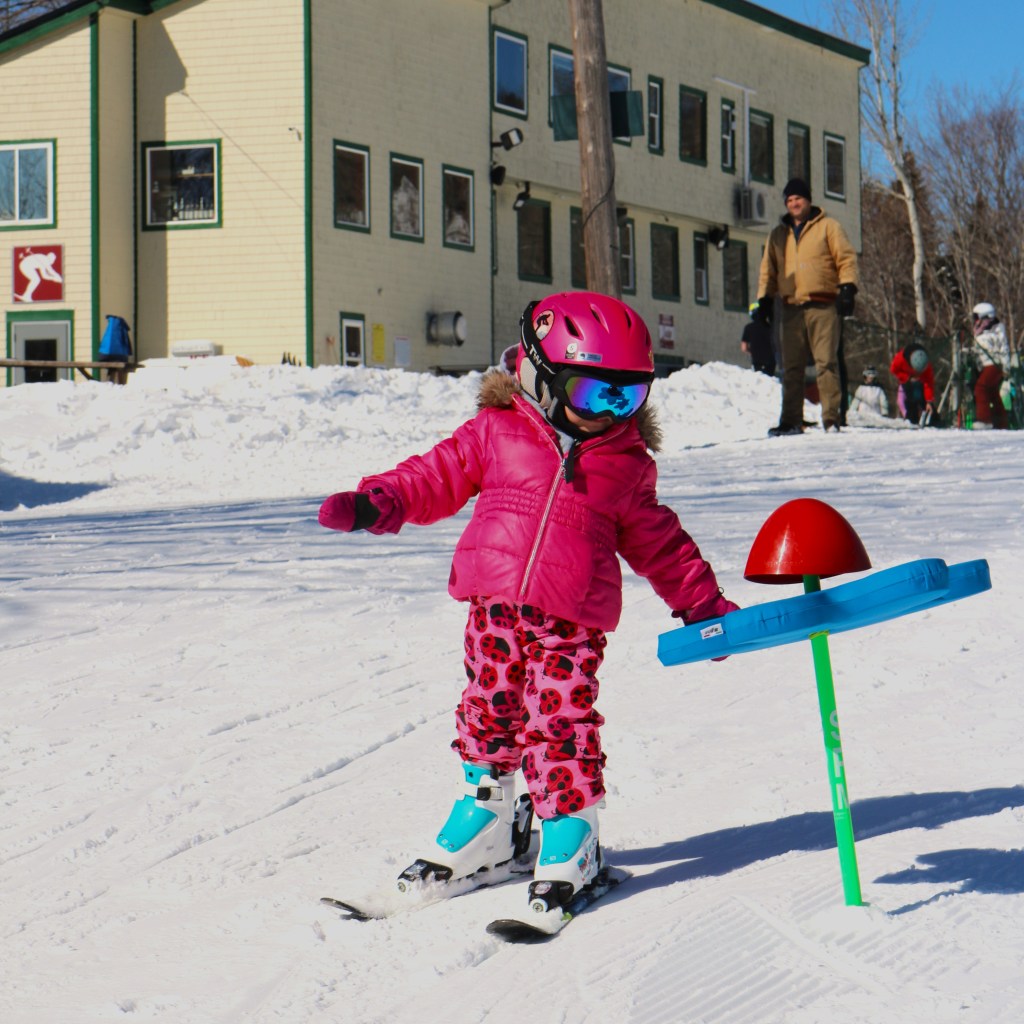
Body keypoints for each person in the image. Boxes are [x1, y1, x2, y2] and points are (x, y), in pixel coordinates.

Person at [318, 292, 738, 916]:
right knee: (488, 710)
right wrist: (379, 502)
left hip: (572, 622)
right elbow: (433, 475)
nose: (611, 412)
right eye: (597, 393)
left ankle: (573, 833)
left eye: (628, 396)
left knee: (560, 721)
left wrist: (702, 603)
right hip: (494, 608)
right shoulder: (496, 431)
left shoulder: (625, 464)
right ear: (543, 376)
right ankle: (489, 820)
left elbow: (662, 544)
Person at [753, 177, 859, 435]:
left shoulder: (828, 227)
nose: (794, 203)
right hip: (790, 307)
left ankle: (832, 418)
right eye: (789, 200)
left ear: (808, 200)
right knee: (791, 366)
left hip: (822, 305)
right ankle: (791, 420)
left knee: (826, 362)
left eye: (798, 198)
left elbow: (845, 258)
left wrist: (847, 288)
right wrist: (764, 300)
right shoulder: (778, 235)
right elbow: (768, 271)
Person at [968, 302, 1011, 430]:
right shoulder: (981, 331)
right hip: (986, 365)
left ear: (985, 317)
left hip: (994, 364)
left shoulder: (996, 330)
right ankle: (1001, 423)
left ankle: (984, 420)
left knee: (981, 388)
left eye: (977, 317)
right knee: (992, 393)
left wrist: (1006, 365)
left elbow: (1003, 348)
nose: (975, 321)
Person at [889, 342, 934, 424]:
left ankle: (931, 419)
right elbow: (893, 370)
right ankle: (911, 420)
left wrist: (929, 401)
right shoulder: (900, 359)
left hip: (920, 383)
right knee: (910, 402)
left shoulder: (927, 366)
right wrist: (908, 378)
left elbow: (929, 383)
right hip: (907, 382)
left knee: (924, 402)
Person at [741, 302, 776, 376]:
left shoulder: (748, 328)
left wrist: (753, 352)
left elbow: (744, 348)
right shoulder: (772, 328)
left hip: (757, 362)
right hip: (771, 362)